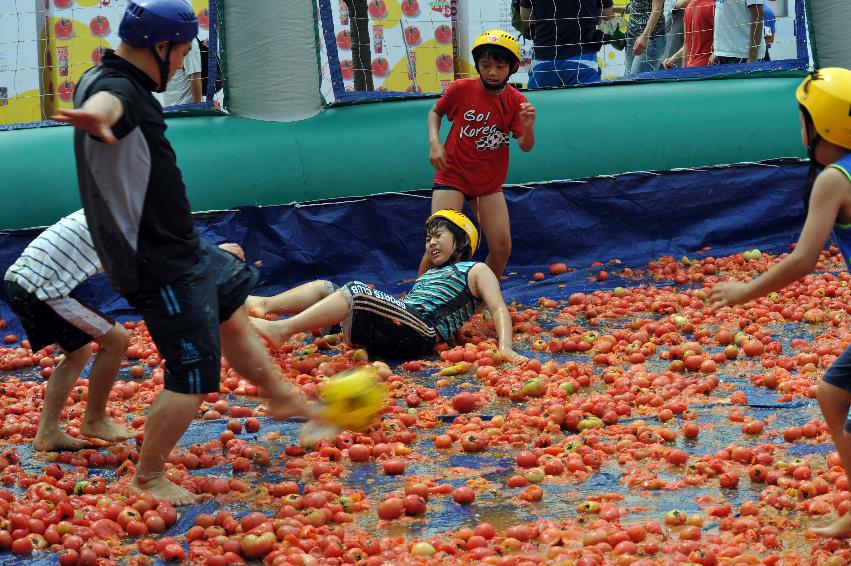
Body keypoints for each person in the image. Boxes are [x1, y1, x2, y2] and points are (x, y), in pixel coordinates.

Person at [53, 0, 314, 505]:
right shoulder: (118, 89)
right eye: (181, 52)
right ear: (162, 46)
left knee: (232, 302)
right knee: (193, 377)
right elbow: (112, 104)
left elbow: (109, 99)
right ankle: (148, 477)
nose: (180, 64)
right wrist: (96, 117)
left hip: (181, 245)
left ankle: (280, 397)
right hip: (156, 260)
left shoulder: (102, 73)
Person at [708, 68, 851, 537]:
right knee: (831, 393)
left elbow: (805, 259)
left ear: (820, 126)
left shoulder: (834, 179)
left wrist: (743, 293)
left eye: (803, 117)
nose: (800, 127)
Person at [249, 210, 526, 364]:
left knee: (356, 290)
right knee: (325, 287)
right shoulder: (428, 274)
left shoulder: (476, 270)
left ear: (463, 242)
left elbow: (497, 306)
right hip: (395, 327)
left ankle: (281, 329)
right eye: (427, 238)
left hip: (423, 330)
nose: (430, 243)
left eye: (438, 236)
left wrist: (505, 347)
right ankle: (265, 304)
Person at [2, 210, 132, 452]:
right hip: (38, 289)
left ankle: (48, 433)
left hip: (18, 284)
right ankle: (95, 420)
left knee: (80, 352)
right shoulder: (120, 217)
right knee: (118, 340)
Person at [424, 31, 536, 279]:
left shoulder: (516, 102)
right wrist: (435, 143)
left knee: (501, 247)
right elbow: (435, 112)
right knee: (441, 243)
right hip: (452, 175)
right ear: (477, 65)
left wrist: (527, 126)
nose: (492, 72)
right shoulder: (462, 89)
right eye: (486, 65)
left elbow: (526, 146)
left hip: (487, 184)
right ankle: (416, 302)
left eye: (499, 66)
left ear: (512, 68)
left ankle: (477, 300)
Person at [519, 0, 614, 87]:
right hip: (582, 57)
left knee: (540, 104)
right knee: (588, 104)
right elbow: (606, 14)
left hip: (545, 57)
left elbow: (526, 16)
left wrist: (546, 16)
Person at [662, 0, 715, 69]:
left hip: (691, 66)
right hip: (708, 66)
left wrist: (683, 68)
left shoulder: (689, 6)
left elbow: (687, 43)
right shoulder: (713, 7)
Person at [712, 0, 764, 64]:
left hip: (743, 55)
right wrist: (717, 50)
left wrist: (753, 57)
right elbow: (723, 12)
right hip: (723, 53)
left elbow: (758, 15)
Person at [624, 0, 667, 74]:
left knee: (638, 81)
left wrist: (645, 37)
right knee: (628, 80)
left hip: (650, 39)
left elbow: (657, 8)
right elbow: (637, 5)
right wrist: (615, 9)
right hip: (632, 37)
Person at [163, 36, 202, 106]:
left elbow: (195, 78)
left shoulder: (189, 42)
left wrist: (196, 108)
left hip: (186, 110)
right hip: (169, 109)